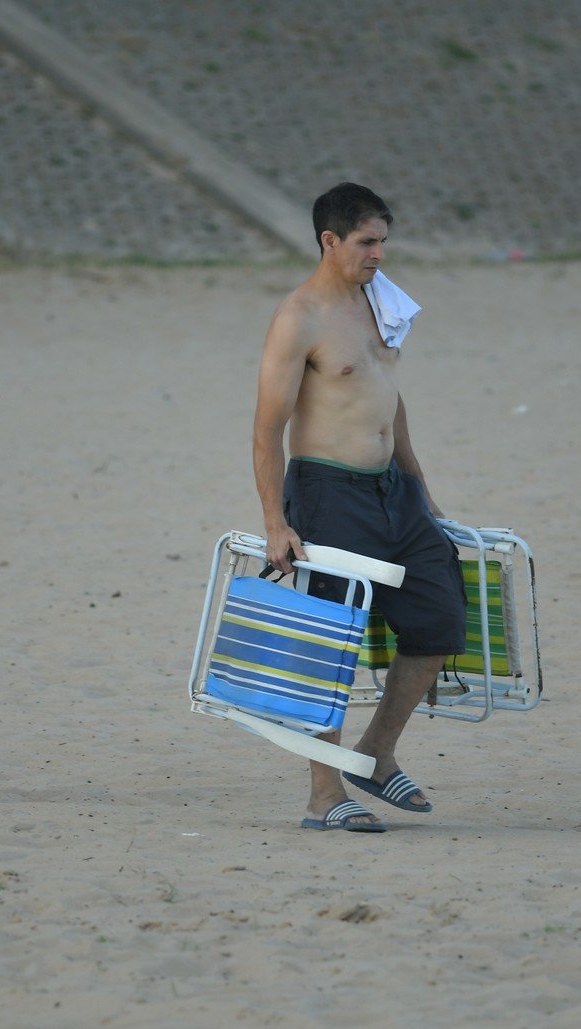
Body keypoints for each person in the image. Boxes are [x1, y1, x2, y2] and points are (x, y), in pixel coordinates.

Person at [252, 183, 466, 832]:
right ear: (329, 241)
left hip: (391, 491)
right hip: (326, 490)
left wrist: (418, 481)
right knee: (329, 644)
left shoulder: (381, 302)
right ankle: (323, 795)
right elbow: (266, 428)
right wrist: (273, 521)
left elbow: (387, 394)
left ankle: (374, 753)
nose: (378, 254)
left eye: (383, 241)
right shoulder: (299, 317)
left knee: (439, 617)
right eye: (366, 242)